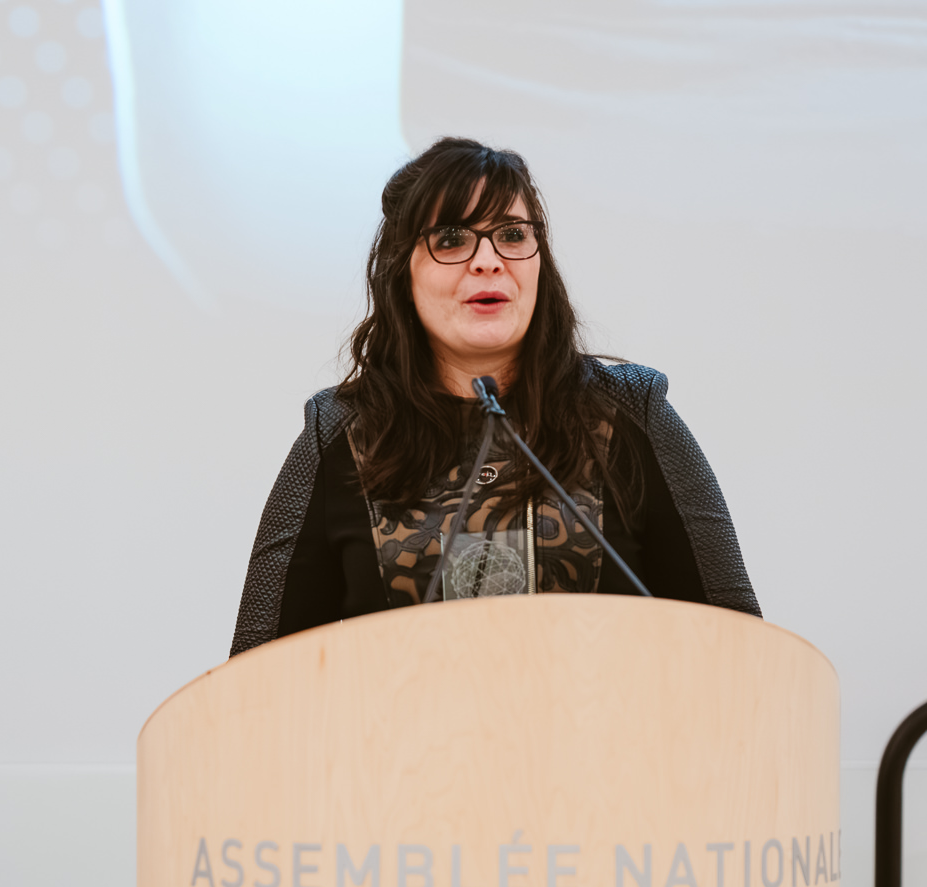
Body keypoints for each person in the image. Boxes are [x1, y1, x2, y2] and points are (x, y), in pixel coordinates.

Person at [231, 137, 759, 654]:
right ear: (402, 271)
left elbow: (737, 645)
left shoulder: (629, 413)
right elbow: (257, 678)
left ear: (539, 263)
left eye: (511, 234)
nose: (488, 260)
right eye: (452, 238)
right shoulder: (343, 433)